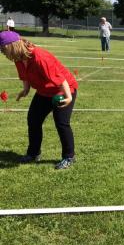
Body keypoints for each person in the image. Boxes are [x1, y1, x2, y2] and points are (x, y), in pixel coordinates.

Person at [0, 31, 78, 169]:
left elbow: (60, 79)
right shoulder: (18, 58)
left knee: (61, 122)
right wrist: (25, 90)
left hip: (61, 90)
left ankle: (69, 157)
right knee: (33, 119)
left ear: (12, 46)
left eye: (3, 49)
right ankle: (33, 153)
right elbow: (24, 75)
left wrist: (68, 97)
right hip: (44, 92)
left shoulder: (39, 57)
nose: (3, 53)